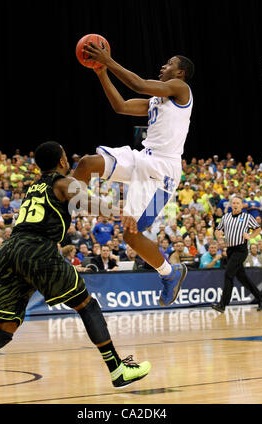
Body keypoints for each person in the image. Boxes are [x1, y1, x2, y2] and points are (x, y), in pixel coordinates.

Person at [0, 142, 150, 397]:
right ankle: (117, 369)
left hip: (10, 251)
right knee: (86, 305)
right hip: (37, 251)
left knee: (4, 330)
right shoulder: (62, 182)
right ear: (63, 162)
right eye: (66, 158)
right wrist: (121, 212)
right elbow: (90, 202)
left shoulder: (34, 188)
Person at [73, 46, 194, 307]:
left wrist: (109, 60)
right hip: (143, 157)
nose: (164, 66)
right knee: (85, 164)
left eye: (169, 63)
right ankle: (63, 215)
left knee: (130, 234)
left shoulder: (181, 90)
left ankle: (169, 274)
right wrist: (101, 72)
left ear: (180, 73)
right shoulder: (156, 100)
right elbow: (121, 106)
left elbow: (138, 84)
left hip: (162, 171)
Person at [211, 196, 262, 313]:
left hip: (241, 249)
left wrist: (250, 236)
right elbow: (217, 230)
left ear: (242, 205)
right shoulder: (226, 217)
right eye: (233, 203)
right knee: (242, 278)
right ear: (231, 205)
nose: (235, 205)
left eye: (238, 203)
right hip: (230, 250)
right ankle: (261, 297)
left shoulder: (247, 217)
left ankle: (222, 304)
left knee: (228, 274)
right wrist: (219, 238)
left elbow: (258, 229)